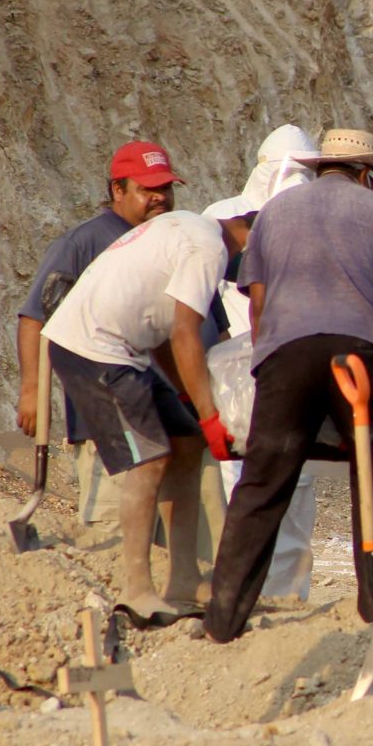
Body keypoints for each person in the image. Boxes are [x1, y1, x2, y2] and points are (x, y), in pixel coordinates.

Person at [205, 128, 373, 643]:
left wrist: (270, 366)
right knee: (371, 468)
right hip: (359, 351)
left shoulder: (275, 212)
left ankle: (224, 617)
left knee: (264, 477)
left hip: (286, 349)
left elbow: (257, 300)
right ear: (366, 174)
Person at [42, 205, 253, 624]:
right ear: (249, 234)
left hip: (128, 351)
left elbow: (161, 331)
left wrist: (191, 405)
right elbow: (184, 334)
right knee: (150, 458)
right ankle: (136, 589)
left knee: (186, 441)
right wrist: (213, 417)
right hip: (94, 349)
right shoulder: (207, 249)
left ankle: (184, 578)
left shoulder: (188, 230)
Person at [16, 141, 178, 526]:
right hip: (106, 415)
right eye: (147, 189)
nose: (159, 198)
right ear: (117, 191)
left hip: (160, 414)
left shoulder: (169, 240)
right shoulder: (86, 242)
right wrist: (31, 390)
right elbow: (36, 315)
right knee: (114, 527)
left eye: (165, 188)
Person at [201, 124, 322, 603]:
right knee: (243, 489)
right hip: (236, 380)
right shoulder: (223, 221)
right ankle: (244, 599)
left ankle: (283, 600)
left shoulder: (313, 225)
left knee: (293, 485)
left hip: (286, 371)